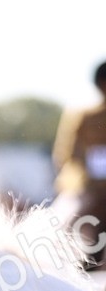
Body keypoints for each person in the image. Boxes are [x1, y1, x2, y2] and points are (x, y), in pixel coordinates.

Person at [52, 60, 106, 269]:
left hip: (90, 184)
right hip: (86, 185)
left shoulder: (81, 115)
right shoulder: (83, 116)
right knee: (61, 222)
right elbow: (67, 154)